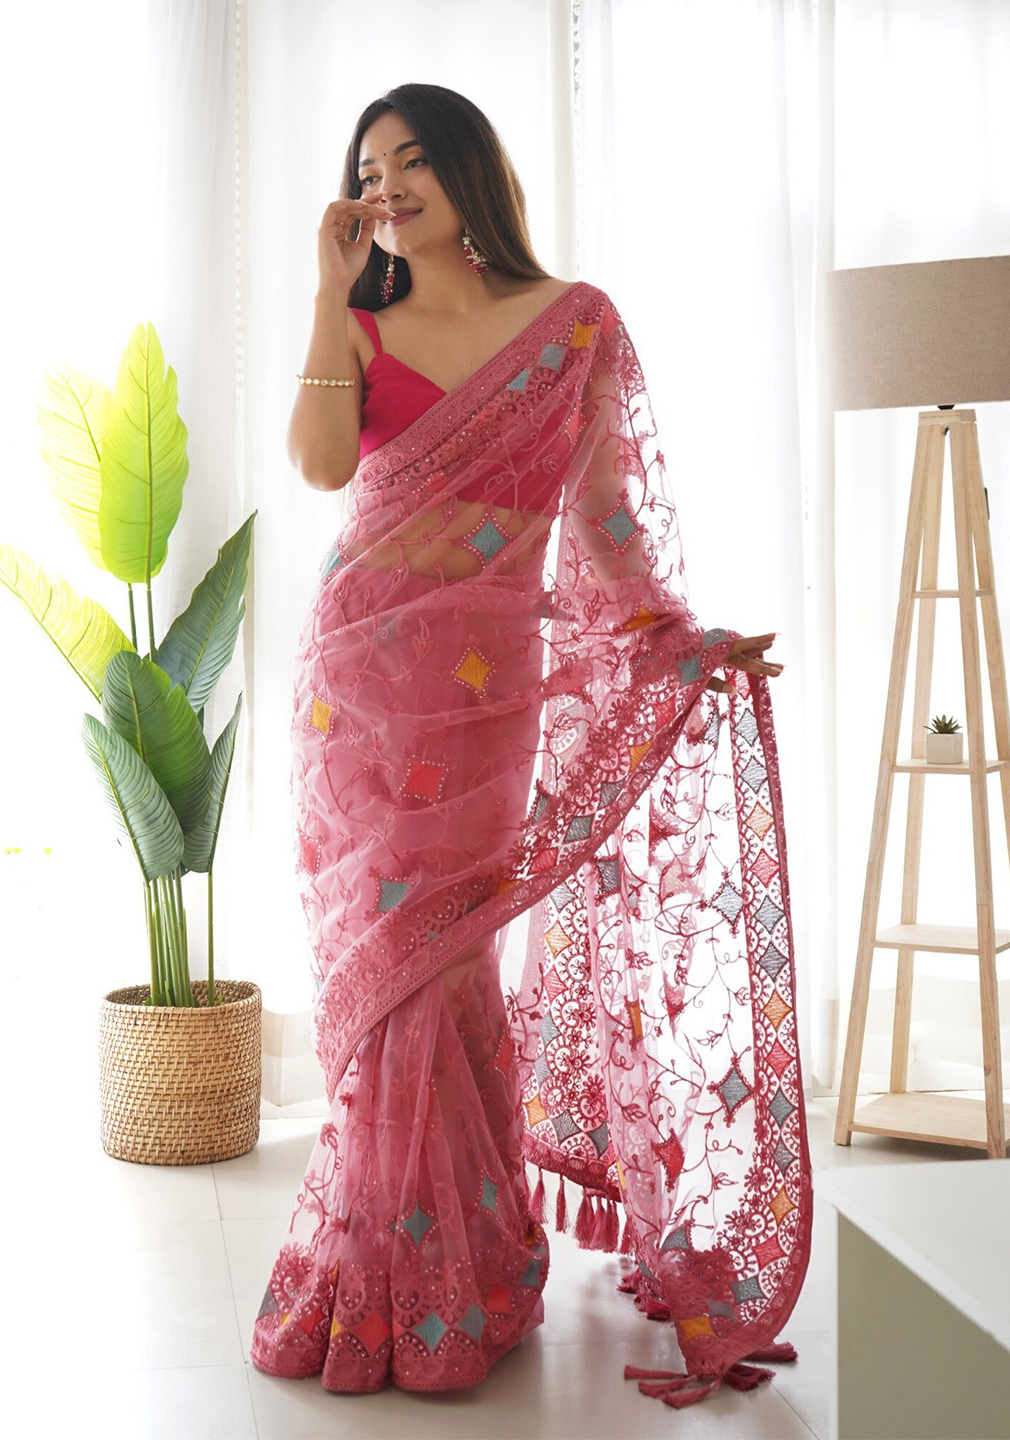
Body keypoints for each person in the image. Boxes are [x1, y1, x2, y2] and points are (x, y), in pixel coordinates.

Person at [251, 83, 811, 1409]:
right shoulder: (363, 320)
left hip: (484, 690)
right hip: (356, 687)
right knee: (380, 974)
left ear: (471, 170)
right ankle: (395, 1272)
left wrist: (680, 641)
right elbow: (322, 465)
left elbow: (608, 525)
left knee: (448, 966)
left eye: (411, 160)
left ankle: (465, 1269)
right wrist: (327, 294)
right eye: (367, 170)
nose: (386, 187)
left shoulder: (574, 326)